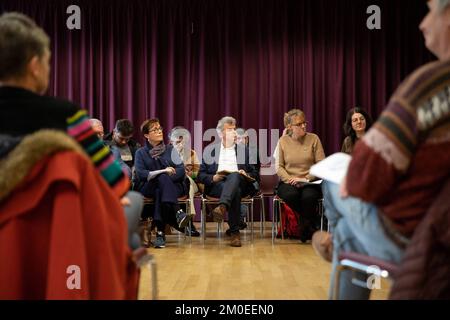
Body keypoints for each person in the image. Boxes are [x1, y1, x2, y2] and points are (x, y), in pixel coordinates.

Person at [314, 0, 450, 300]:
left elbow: (366, 180)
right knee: (350, 231)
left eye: (429, 11)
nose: (422, 23)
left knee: (332, 182)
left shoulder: (430, 84)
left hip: (413, 235)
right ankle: (340, 238)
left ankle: (334, 239)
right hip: (436, 226)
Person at [0, 12, 141, 298]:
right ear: (35, 66)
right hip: (59, 240)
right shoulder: (67, 115)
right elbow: (117, 181)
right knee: (134, 202)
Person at [198, 116, 260, 247]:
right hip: (218, 184)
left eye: (234, 129)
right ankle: (234, 232)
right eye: (230, 129)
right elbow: (200, 175)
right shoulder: (210, 151)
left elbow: (255, 173)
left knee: (235, 176)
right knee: (234, 190)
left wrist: (246, 173)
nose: (234, 132)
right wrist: (212, 178)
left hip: (241, 182)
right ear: (221, 134)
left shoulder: (245, 151)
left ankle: (222, 207)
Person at [134, 118, 192, 248]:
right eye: (155, 130)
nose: (159, 131)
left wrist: (163, 174)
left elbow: (181, 171)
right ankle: (178, 212)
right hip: (148, 187)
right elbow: (141, 174)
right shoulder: (140, 153)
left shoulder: (170, 150)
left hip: (170, 187)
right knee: (162, 177)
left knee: (161, 188)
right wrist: (163, 171)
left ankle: (160, 233)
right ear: (146, 135)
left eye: (160, 128)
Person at [275, 109, 325, 242]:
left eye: (305, 123)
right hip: (288, 182)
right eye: (299, 124)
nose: (304, 126)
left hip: (310, 181)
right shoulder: (283, 141)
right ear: (289, 127)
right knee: (291, 195)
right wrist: (290, 179)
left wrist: (306, 178)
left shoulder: (314, 138)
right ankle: (310, 225)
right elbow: (279, 167)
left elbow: (321, 164)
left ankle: (305, 227)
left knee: (309, 197)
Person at [168, 126, 201, 237]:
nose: (179, 141)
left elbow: (198, 173)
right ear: (170, 140)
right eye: (177, 138)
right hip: (174, 182)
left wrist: (188, 173)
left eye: (181, 138)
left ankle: (189, 221)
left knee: (188, 183)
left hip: (191, 182)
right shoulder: (166, 152)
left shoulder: (191, 153)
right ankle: (183, 220)